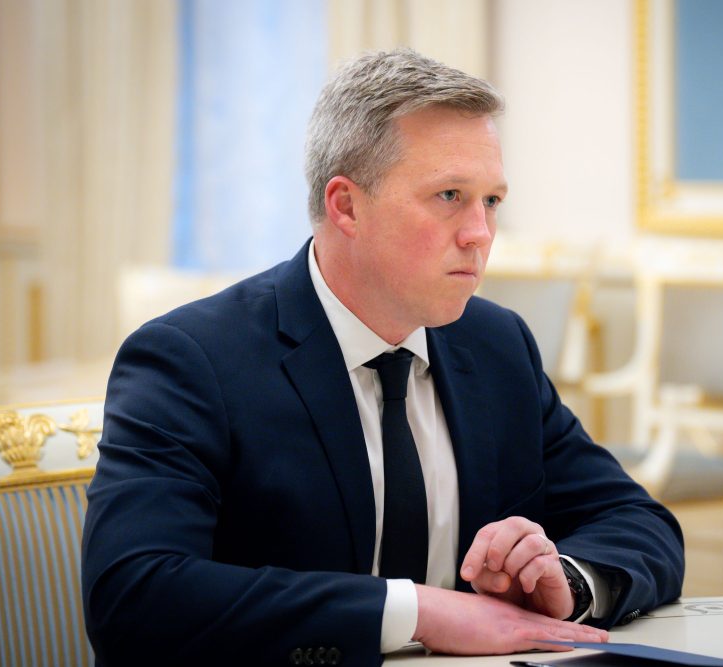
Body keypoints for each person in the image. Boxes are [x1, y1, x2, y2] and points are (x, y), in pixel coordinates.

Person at [82, 48, 684, 666]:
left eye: (491, 201)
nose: (480, 233)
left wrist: (565, 581)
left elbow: (640, 522)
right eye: (449, 195)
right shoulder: (192, 360)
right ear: (346, 206)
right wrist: (418, 612)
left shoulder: (497, 345)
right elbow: (133, 595)